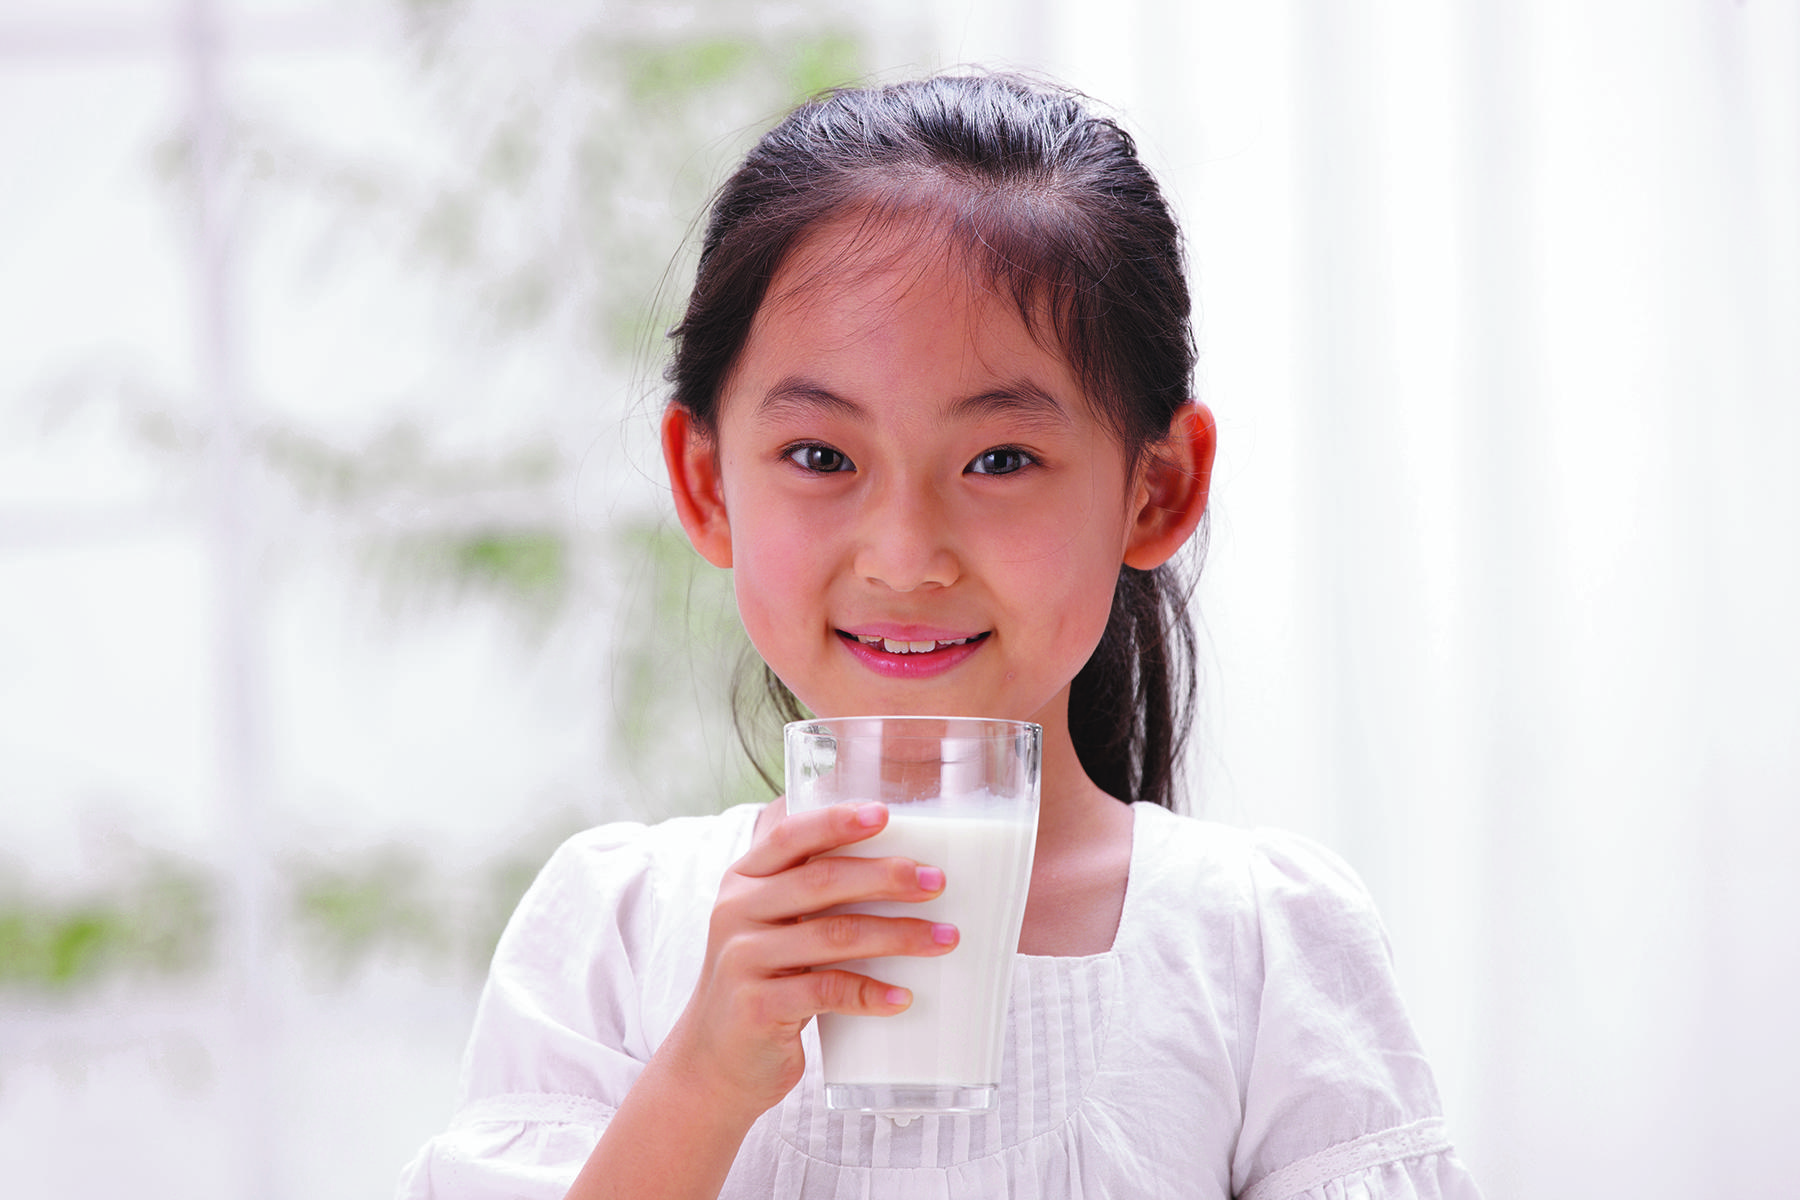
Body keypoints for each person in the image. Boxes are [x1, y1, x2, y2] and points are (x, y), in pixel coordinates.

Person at [398, 71, 1483, 1200]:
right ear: (708, 482)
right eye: (821, 457)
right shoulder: (617, 931)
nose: (904, 554)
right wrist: (701, 1082)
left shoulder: (1263, 949)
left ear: (1156, 490)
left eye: (999, 461)